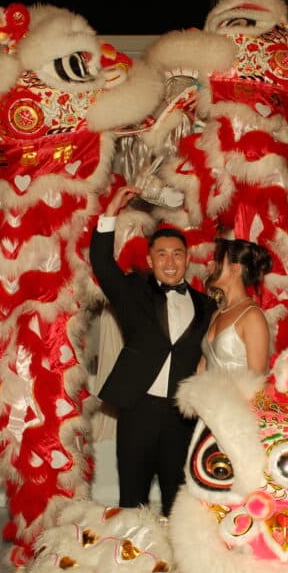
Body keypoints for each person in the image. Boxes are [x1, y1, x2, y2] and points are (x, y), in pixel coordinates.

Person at [89, 185, 217, 516]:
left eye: (177, 254)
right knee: (133, 499)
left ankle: (174, 564)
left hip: (182, 415)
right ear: (150, 260)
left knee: (179, 502)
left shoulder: (206, 305)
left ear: (187, 259)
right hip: (138, 410)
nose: (170, 261)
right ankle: (133, 563)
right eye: (161, 254)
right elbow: (102, 264)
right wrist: (110, 211)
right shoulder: (133, 291)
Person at [201, 238, 273, 374]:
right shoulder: (216, 314)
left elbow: (256, 381)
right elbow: (201, 369)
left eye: (217, 261)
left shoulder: (252, 316)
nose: (210, 266)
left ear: (235, 269)